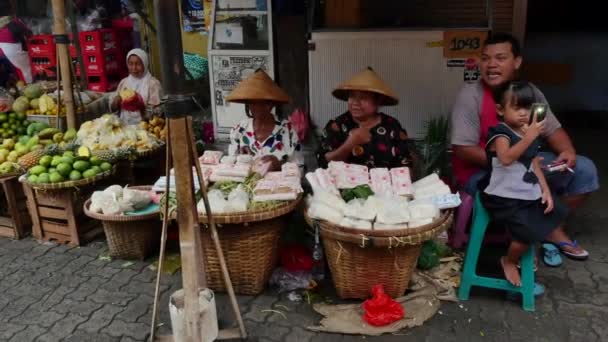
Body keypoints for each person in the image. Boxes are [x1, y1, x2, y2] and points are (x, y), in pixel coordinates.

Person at [450, 32, 598, 256]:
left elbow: (553, 129)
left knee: (584, 171)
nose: (491, 65)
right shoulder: (471, 95)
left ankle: (550, 227)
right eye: (486, 58)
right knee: (522, 183)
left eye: (500, 58)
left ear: (516, 62)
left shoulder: (529, 92)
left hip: (526, 161)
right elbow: (463, 149)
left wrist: (567, 150)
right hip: (482, 171)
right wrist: (518, 163)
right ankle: (536, 236)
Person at [482, 81, 587, 286]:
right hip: (502, 196)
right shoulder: (500, 133)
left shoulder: (525, 131)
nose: (523, 113)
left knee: (552, 211)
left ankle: (533, 250)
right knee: (527, 233)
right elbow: (505, 158)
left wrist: (545, 190)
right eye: (516, 107)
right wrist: (529, 137)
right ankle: (509, 260)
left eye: (527, 107)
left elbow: (533, 163)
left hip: (524, 191)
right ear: (500, 110)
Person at [316, 67, 414, 169]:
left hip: (384, 184)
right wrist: (350, 144)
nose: (355, 103)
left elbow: (406, 163)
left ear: (378, 101)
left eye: (363, 97)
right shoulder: (337, 125)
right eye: (352, 96)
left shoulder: (392, 125)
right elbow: (322, 162)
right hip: (345, 185)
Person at [226, 69, 301, 171]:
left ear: (271, 104)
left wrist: (279, 165)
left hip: (279, 186)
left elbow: (299, 167)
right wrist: (240, 158)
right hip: (246, 186)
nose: (256, 107)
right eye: (253, 103)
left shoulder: (287, 129)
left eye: (266, 103)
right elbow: (229, 166)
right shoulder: (239, 130)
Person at [109, 48, 162, 125]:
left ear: (145, 64)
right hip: (125, 127)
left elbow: (158, 111)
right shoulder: (124, 82)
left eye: (138, 64)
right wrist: (115, 102)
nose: (134, 68)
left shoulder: (153, 84)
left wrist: (141, 107)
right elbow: (113, 109)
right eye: (130, 64)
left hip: (145, 128)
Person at [0, 3, 32, 83]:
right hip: (11, 52)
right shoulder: (14, 21)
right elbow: (29, 34)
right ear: (9, 10)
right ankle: (30, 83)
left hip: (2, 55)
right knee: (27, 67)